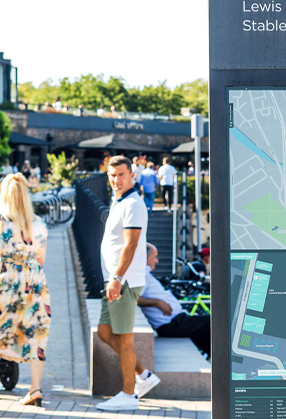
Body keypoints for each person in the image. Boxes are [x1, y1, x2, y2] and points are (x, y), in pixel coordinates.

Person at [0, 173, 50, 407]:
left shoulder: (1, 219)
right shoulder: (40, 223)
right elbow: (42, 258)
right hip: (34, 282)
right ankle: (35, 389)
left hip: (5, 279)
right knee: (36, 332)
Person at [96, 155, 160, 411]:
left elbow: (132, 245)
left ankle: (128, 395)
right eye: (112, 175)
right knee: (104, 332)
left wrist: (116, 278)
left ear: (132, 175)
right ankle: (143, 376)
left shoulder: (133, 204)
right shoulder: (120, 201)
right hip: (114, 280)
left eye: (121, 175)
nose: (116, 180)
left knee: (124, 338)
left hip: (122, 281)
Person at [139, 244, 210, 358]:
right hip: (172, 324)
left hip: (175, 322)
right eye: (155, 257)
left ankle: (218, 360)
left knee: (205, 332)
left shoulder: (144, 274)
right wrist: (158, 302)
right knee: (212, 323)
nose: (156, 261)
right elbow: (135, 298)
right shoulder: (141, 274)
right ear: (147, 256)